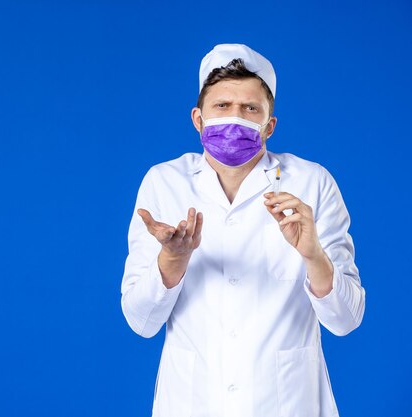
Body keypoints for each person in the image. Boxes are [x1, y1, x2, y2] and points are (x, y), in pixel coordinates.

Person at [120, 44, 366, 417]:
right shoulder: (164, 182)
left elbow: (346, 320)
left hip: (288, 405)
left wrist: (314, 255)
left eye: (250, 109)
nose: (235, 119)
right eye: (222, 106)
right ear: (198, 119)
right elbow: (140, 322)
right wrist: (172, 260)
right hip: (192, 403)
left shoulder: (312, 183)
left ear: (270, 125)